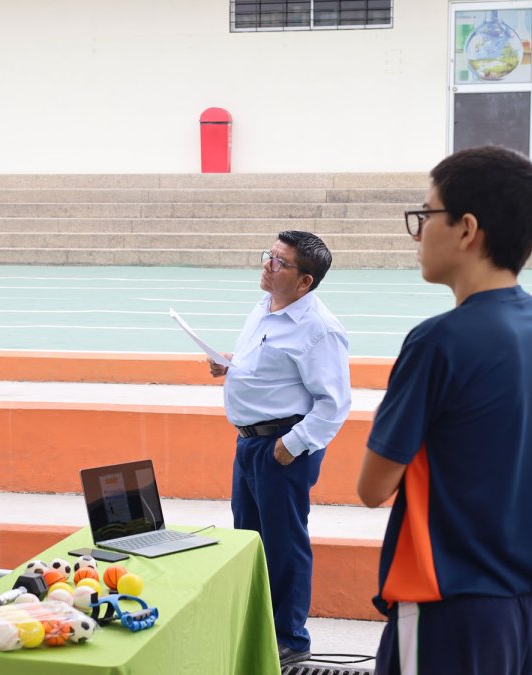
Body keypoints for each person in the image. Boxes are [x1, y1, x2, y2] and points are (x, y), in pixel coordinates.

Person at [358, 145, 532, 675]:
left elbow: (373, 486)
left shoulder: (438, 341)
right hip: (530, 605)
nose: (418, 232)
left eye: (426, 215)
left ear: (466, 228)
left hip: (450, 602)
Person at [207, 230, 351, 666]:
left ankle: (290, 638)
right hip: (249, 442)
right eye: (268, 256)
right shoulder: (264, 309)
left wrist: (291, 446)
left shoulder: (319, 330)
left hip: (281, 447)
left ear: (304, 281)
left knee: (283, 545)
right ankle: (258, 628)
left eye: (278, 262)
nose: (266, 265)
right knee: (249, 540)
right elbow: (264, 364)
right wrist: (228, 363)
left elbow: (335, 403)